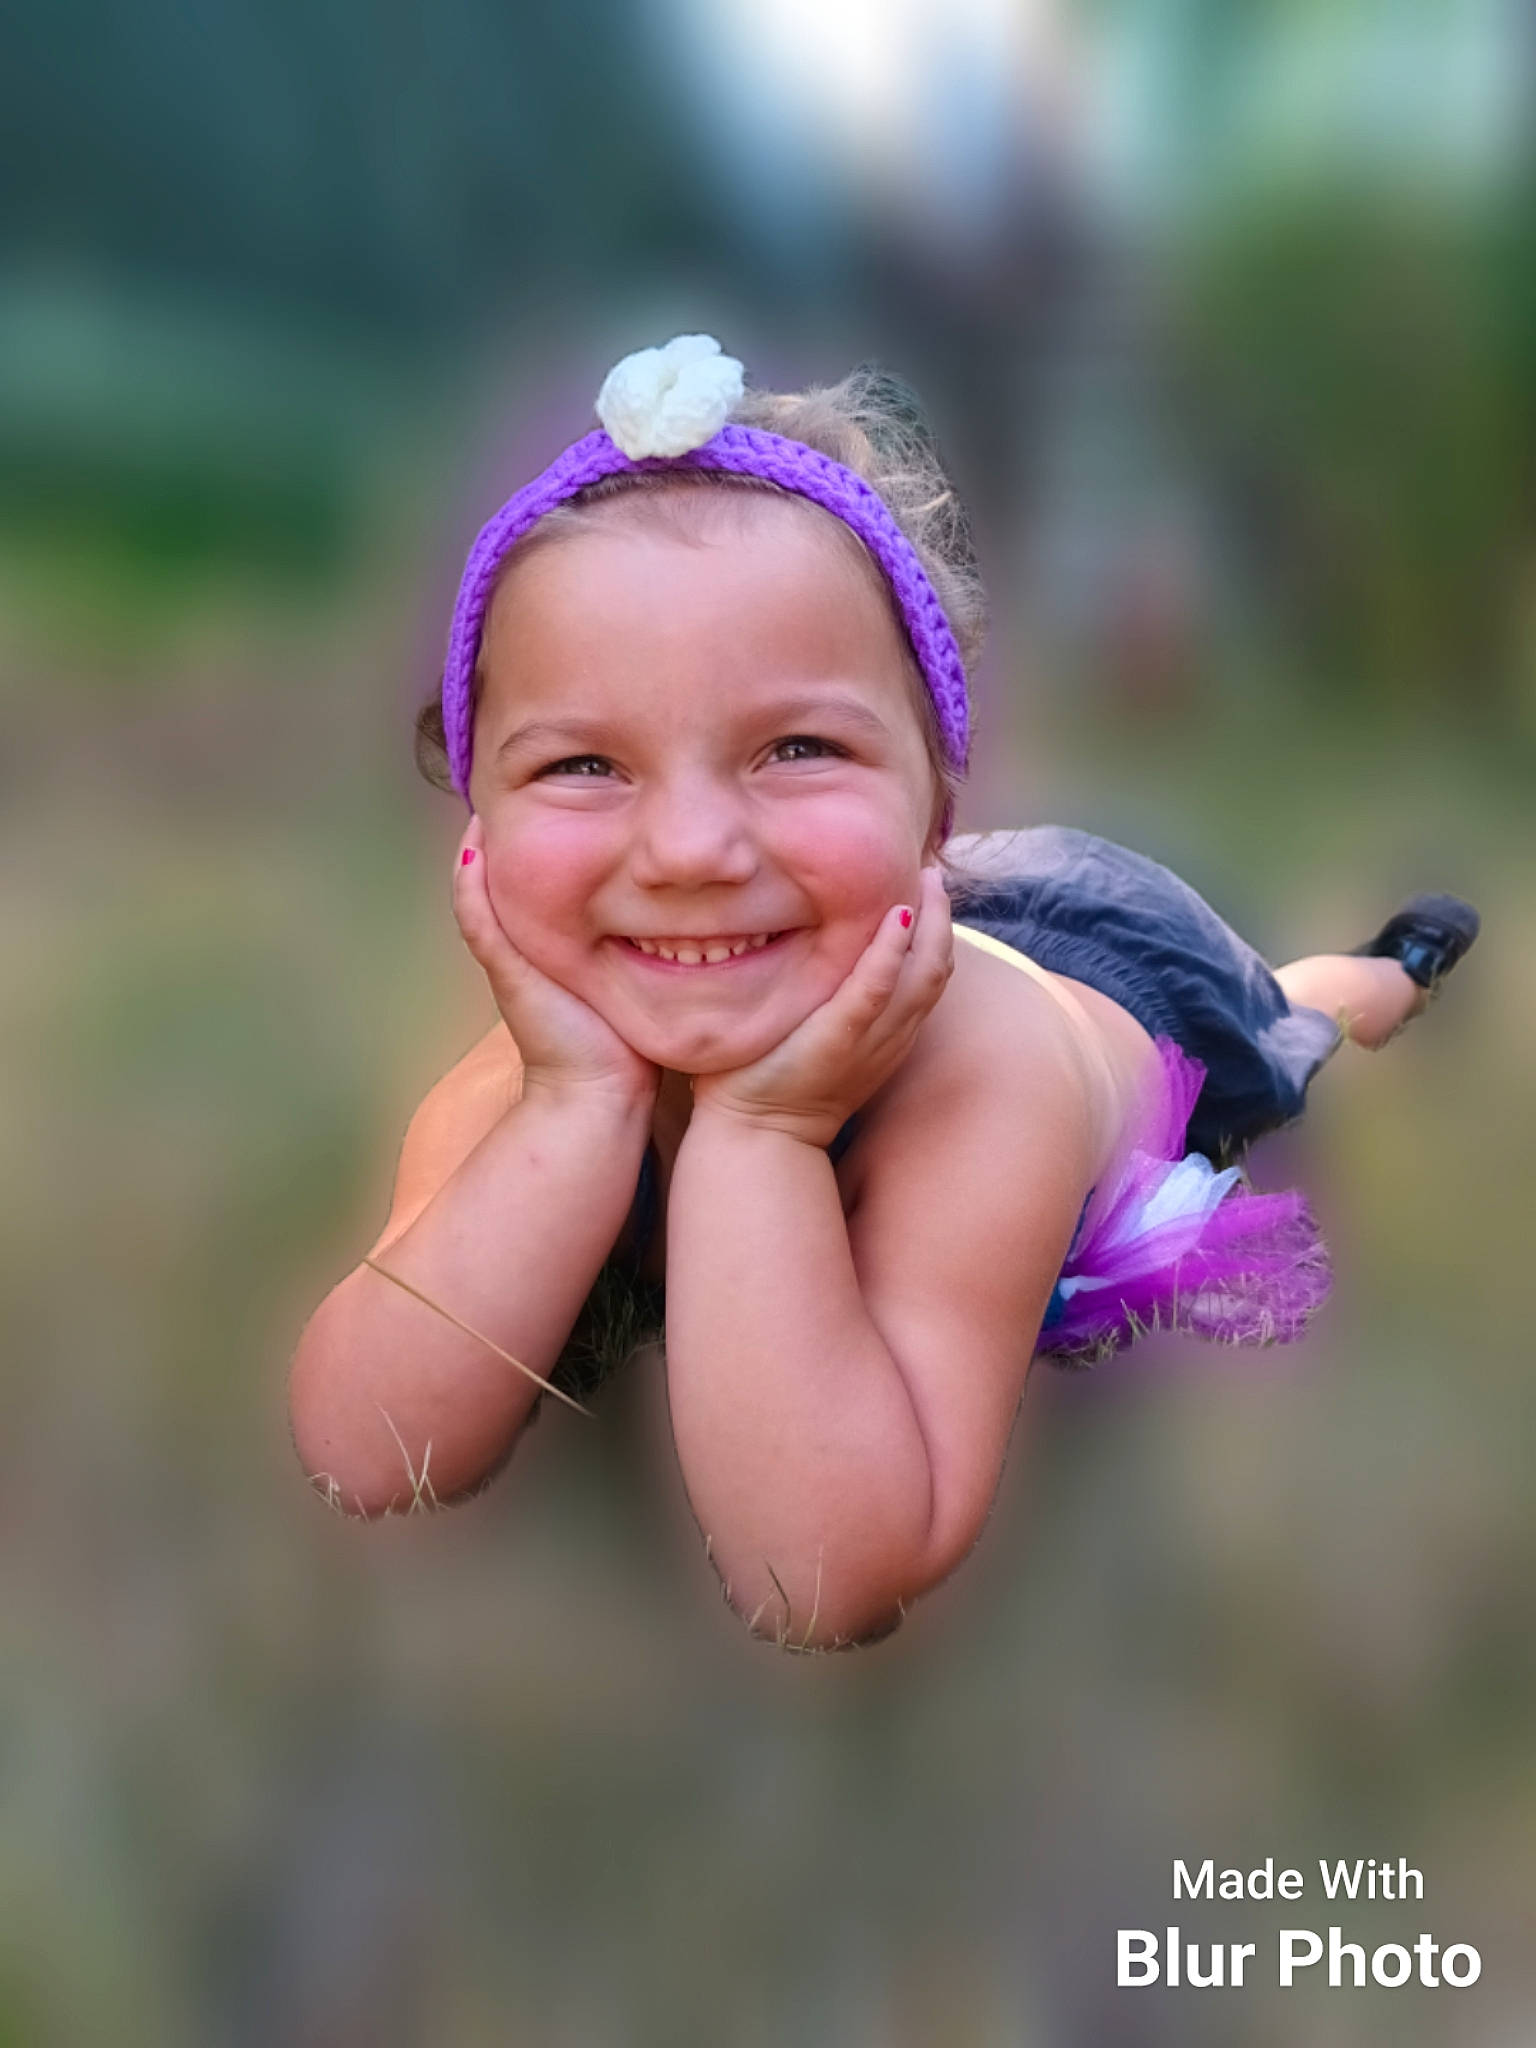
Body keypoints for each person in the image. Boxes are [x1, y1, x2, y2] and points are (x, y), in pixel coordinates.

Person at [287, 336, 1478, 1649]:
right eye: (582, 766)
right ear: (478, 823)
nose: (689, 851)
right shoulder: (536, 1071)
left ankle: (1385, 973)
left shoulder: (987, 1090)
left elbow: (828, 1571)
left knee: (1281, 1016)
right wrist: (573, 1109)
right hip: (856, 916)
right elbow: (362, 1448)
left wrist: (760, 1132)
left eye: (798, 748)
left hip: (1120, 979)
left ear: (933, 804)